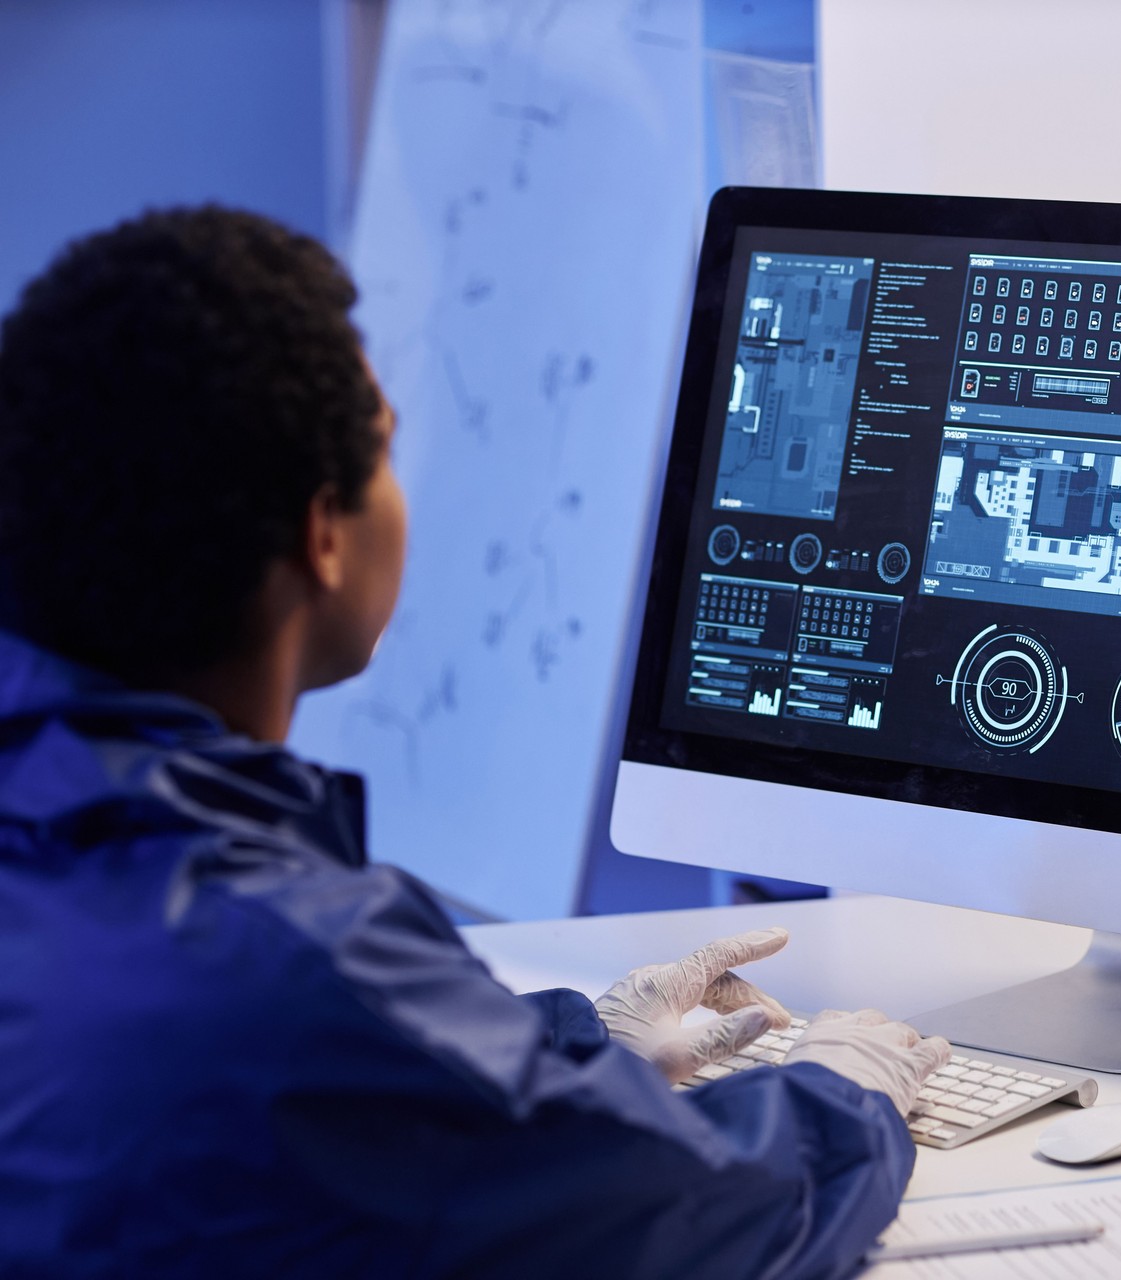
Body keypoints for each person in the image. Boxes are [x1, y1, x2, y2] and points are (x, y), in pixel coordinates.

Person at [0, 206, 950, 1278]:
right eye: (388, 447)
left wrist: (572, 1044)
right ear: (322, 533)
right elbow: (716, 1217)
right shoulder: (293, 955)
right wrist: (848, 1091)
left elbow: (364, 1095)